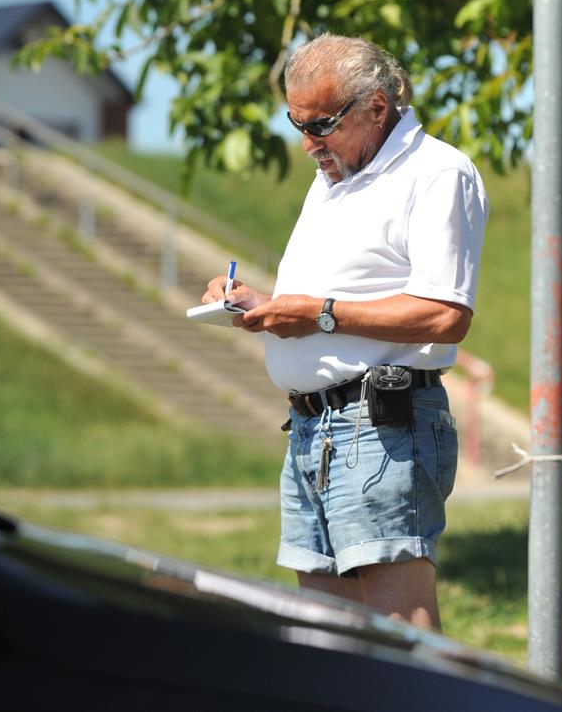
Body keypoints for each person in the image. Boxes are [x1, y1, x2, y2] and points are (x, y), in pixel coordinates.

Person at [202, 34, 488, 630]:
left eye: (322, 124)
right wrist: (264, 305)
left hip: (383, 424)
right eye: (296, 123)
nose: (308, 144)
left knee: (401, 629)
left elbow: (445, 315)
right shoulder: (334, 175)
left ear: (377, 107)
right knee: (327, 633)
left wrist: (316, 313)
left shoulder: (437, 173)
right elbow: (330, 298)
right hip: (312, 426)